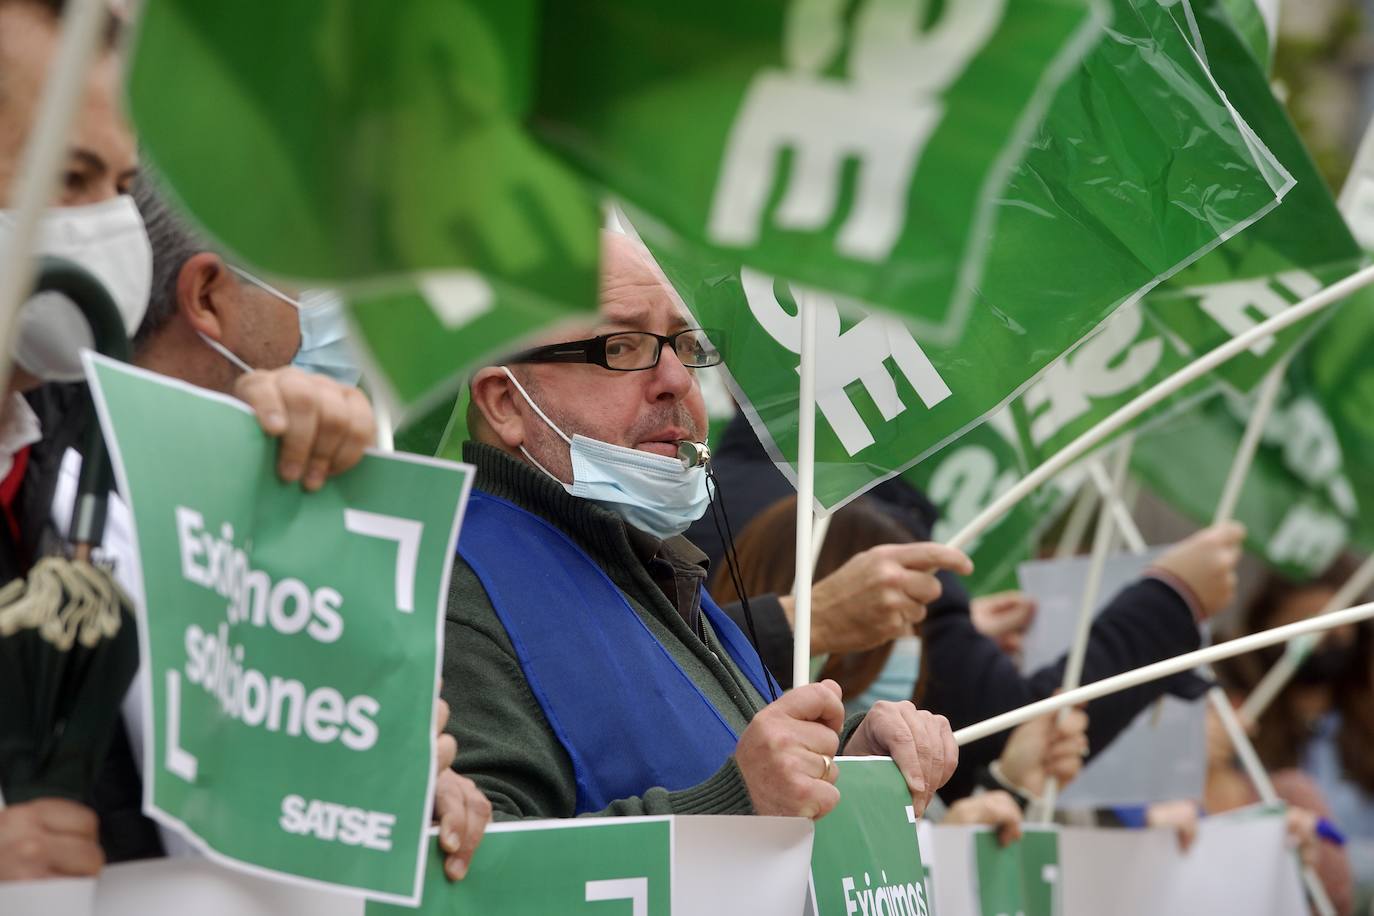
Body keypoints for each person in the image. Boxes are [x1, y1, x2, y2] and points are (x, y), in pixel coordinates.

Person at [443, 230, 969, 823]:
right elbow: (469, 877)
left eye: (685, 344)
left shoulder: (655, 563)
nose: (678, 380)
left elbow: (722, 761)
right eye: (620, 346)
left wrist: (850, 756)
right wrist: (738, 803)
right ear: (505, 403)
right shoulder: (452, 588)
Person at [688, 410, 1243, 799]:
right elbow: (1003, 727)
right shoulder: (860, 523)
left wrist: (959, 630)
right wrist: (1171, 598)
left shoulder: (689, 504)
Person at [712, 493, 1090, 808]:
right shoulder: (721, 754)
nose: (906, 640)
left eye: (914, 620)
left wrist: (1011, 783)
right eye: (875, 612)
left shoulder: (902, 779)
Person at [1220, 560, 1374, 908]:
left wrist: (1342, 866)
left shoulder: (1365, 727)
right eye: (1305, 624)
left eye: (1333, 627)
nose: (1321, 640)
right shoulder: (1242, 725)